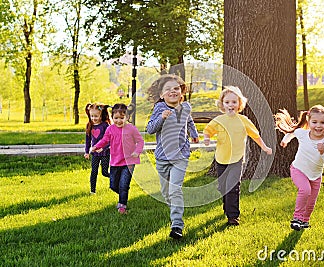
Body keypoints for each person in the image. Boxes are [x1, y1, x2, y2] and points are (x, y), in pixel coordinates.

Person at [203, 86, 273, 226]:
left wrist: (264, 147)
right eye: (227, 102)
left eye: (234, 102)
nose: (230, 105)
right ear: (222, 104)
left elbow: (255, 135)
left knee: (233, 186)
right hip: (221, 159)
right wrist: (206, 138)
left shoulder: (243, 120)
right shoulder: (219, 120)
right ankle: (226, 206)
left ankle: (233, 216)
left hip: (237, 159)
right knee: (223, 187)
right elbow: (208, 130)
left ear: (239, 104)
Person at [146, 74, 199, 239]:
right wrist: (162, 118)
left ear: (181, 92)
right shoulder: (159, 109)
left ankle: (177, 224)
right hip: (162, 157)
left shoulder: (186, 107)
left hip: (181, 156)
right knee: (166, 192)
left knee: (175, 190)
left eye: (176, 88)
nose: (173, 91)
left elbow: (188, 121)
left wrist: (194, 134)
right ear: (162, 95)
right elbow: (150, 129)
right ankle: (173, 209)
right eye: (168, 89)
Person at [274, 104, 324, 230]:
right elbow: (292, 133)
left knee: (311, 202)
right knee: (305, 190)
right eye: (314, 122)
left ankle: (305, 221)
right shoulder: (303, 134)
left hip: (315, 176)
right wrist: (285, 140)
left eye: (322, 122)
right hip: (298, 170)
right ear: (308, 121)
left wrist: (323, 152)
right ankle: (297, 218)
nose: (318, 126)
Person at [91, 103, 144, 214]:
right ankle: (123, 193)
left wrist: (137, 151)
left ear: (127, 117)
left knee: (124, 184)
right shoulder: (110, 129)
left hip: (129, 161)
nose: (119, 121)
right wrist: (96, 146)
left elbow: (140, 141)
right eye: (116, 118)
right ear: (112, 117)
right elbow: (105, 140)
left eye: (122, 118)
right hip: (115, 162)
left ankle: (122, 206)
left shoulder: (131, 129)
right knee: (113, 185)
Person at [84, 103, 111, 194]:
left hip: (105, 153)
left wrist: (104, 148)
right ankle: (92, 191)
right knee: (94, 171)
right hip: (95, 153)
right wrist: (87, 152)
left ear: (101, 115)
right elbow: (88, 140)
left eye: (96, 116)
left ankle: (116, 179)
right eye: (92, 116)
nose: (93, 118)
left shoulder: (105, 125)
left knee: (104, 172)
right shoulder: (89, 125)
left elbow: (110, 140)